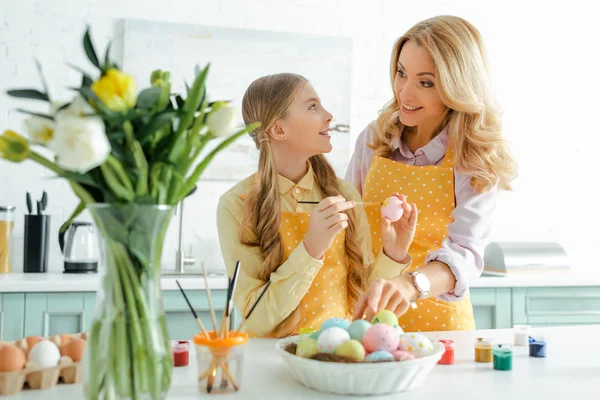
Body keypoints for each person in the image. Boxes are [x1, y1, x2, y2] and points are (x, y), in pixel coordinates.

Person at [348, 16, 517, 331]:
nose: (405, 94)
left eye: (425, 82)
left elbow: (465, 253)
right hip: (366, 318)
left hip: (441, 327)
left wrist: (409, 284)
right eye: (401, 74)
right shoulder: (374, 139)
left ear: (457, 86)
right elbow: (349, 231)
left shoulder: (473, 154)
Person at [217, 73, 417, 337]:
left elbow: (364, 299)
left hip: (339, 355)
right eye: (312, 107)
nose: (328, 115)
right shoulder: (236, 205)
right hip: (271, 364)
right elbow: (256, 318)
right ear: (278, 130)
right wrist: (310, 250)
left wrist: (393, 253)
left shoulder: (344, 194)